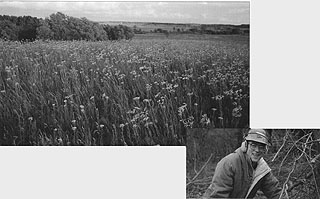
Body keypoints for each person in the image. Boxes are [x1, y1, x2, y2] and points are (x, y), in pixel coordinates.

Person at [202, 129, 282, 199]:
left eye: (261, 147)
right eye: (253, 145)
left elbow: (275, 192)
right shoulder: (229, 163)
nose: (257, 150)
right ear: (246, 145)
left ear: (265, 149)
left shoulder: (262, 168)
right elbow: (218, 196)